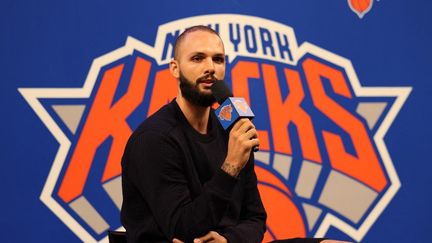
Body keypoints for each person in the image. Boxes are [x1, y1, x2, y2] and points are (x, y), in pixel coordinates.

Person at [121, 25, 266, 243]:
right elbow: (184, 229)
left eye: (218, 59)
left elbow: (256, 217)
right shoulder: (154, 139)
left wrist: (229, 241)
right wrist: (231, 165)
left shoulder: (234, 130)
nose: (210, 68)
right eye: (197, 58)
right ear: (175, 68)